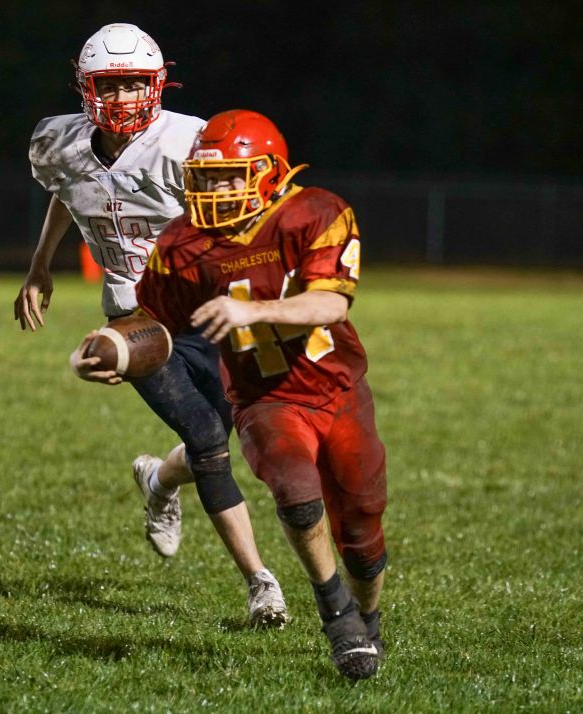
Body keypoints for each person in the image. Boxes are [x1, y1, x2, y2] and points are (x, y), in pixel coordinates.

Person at [17, 23, 287, 626]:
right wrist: (40, 264)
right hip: (136, 317)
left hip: (207, 312)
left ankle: (159, 480)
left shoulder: (188, 142)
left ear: (158, 83)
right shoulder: (59, 144)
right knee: (208, 440)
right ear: (85, 88)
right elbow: (68, 190)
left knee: (221, 437)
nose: (122, 98)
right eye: (109, 85)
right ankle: (260, 583)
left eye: (134, 83)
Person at [126, 109, 389, 679]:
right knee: (295, 491)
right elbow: (151, 323)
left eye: (229, 176)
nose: (213, 190)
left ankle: (367, 618)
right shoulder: (183, 242)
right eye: (205, 177)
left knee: (362, 530)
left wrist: (255, 311)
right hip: (262, 396)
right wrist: (114, 349)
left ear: (269, 173)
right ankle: (335, 612)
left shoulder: (313, 213)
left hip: (338, 388)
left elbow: (331, 303)